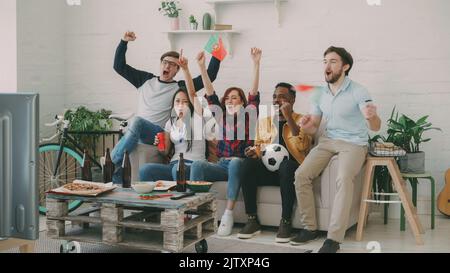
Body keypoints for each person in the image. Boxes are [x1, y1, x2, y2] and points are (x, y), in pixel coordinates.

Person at [292, 46, 381, 253]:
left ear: (345, 66)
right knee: (301, 175)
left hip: (354, 143)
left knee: (343, 178)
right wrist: (306, 125)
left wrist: (371, 116)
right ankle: (310, 227)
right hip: (328, 140)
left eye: (332, 61)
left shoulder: (359, 91)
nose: (327, 66)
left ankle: (334, 239)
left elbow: (375, 126)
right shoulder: (319, 93)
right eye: (325, 61)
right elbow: (314, 126)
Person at [111, 31, 221, 183]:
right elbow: (119, 66)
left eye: (173, 65)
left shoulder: (179, 88)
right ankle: (117, 172)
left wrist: (217, 50)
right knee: (135, 124)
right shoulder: (145, 80)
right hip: (138, 131)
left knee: (136, 121)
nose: (168, 66)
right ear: (160, 64)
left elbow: (210, 75)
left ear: (177, 70)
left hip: (158, 132)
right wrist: (124, 41)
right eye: (165, 62)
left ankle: (112, 160)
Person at [189, 48, 262, 237]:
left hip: (240, 163)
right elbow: (210, 93)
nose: (230, 100)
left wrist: (256, 63)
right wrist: (202, 68)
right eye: (227, 98)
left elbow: (253, 93)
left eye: (235, 97)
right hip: (222, 165)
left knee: (237, 161)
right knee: (197, 165)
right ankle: (195, 213)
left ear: (243, 103)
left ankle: (228, 214)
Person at [237, 83, 312, 242]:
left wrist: (289, 118)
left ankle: (285, 222)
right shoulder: (264, 121)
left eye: (282, 96)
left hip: (291, 173)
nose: (277, 100)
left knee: (286, 166)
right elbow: (260, 146)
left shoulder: (303, 120)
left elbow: (303, 146)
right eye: (274, 96)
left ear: (292, 100)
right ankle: (252, 219)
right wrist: (253, 152)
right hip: (269, 171)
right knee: (247, 164)